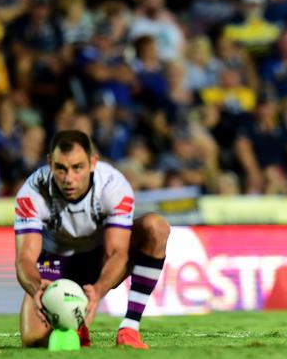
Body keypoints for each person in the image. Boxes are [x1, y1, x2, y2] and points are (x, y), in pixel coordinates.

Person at [14, 130, 170, 349]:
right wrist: (36, 287)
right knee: (34, 340)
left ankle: (129, 328)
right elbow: (25, 258)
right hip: (54, 263)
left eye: (77, 168)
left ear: (92, 163)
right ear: (50, 163)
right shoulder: (32, 192)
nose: (69, 178)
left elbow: (117, 253)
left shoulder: (113, 186)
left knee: (155, 228)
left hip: (99, 259)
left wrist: (98, 291)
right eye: (61, 168)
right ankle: (75, 324)